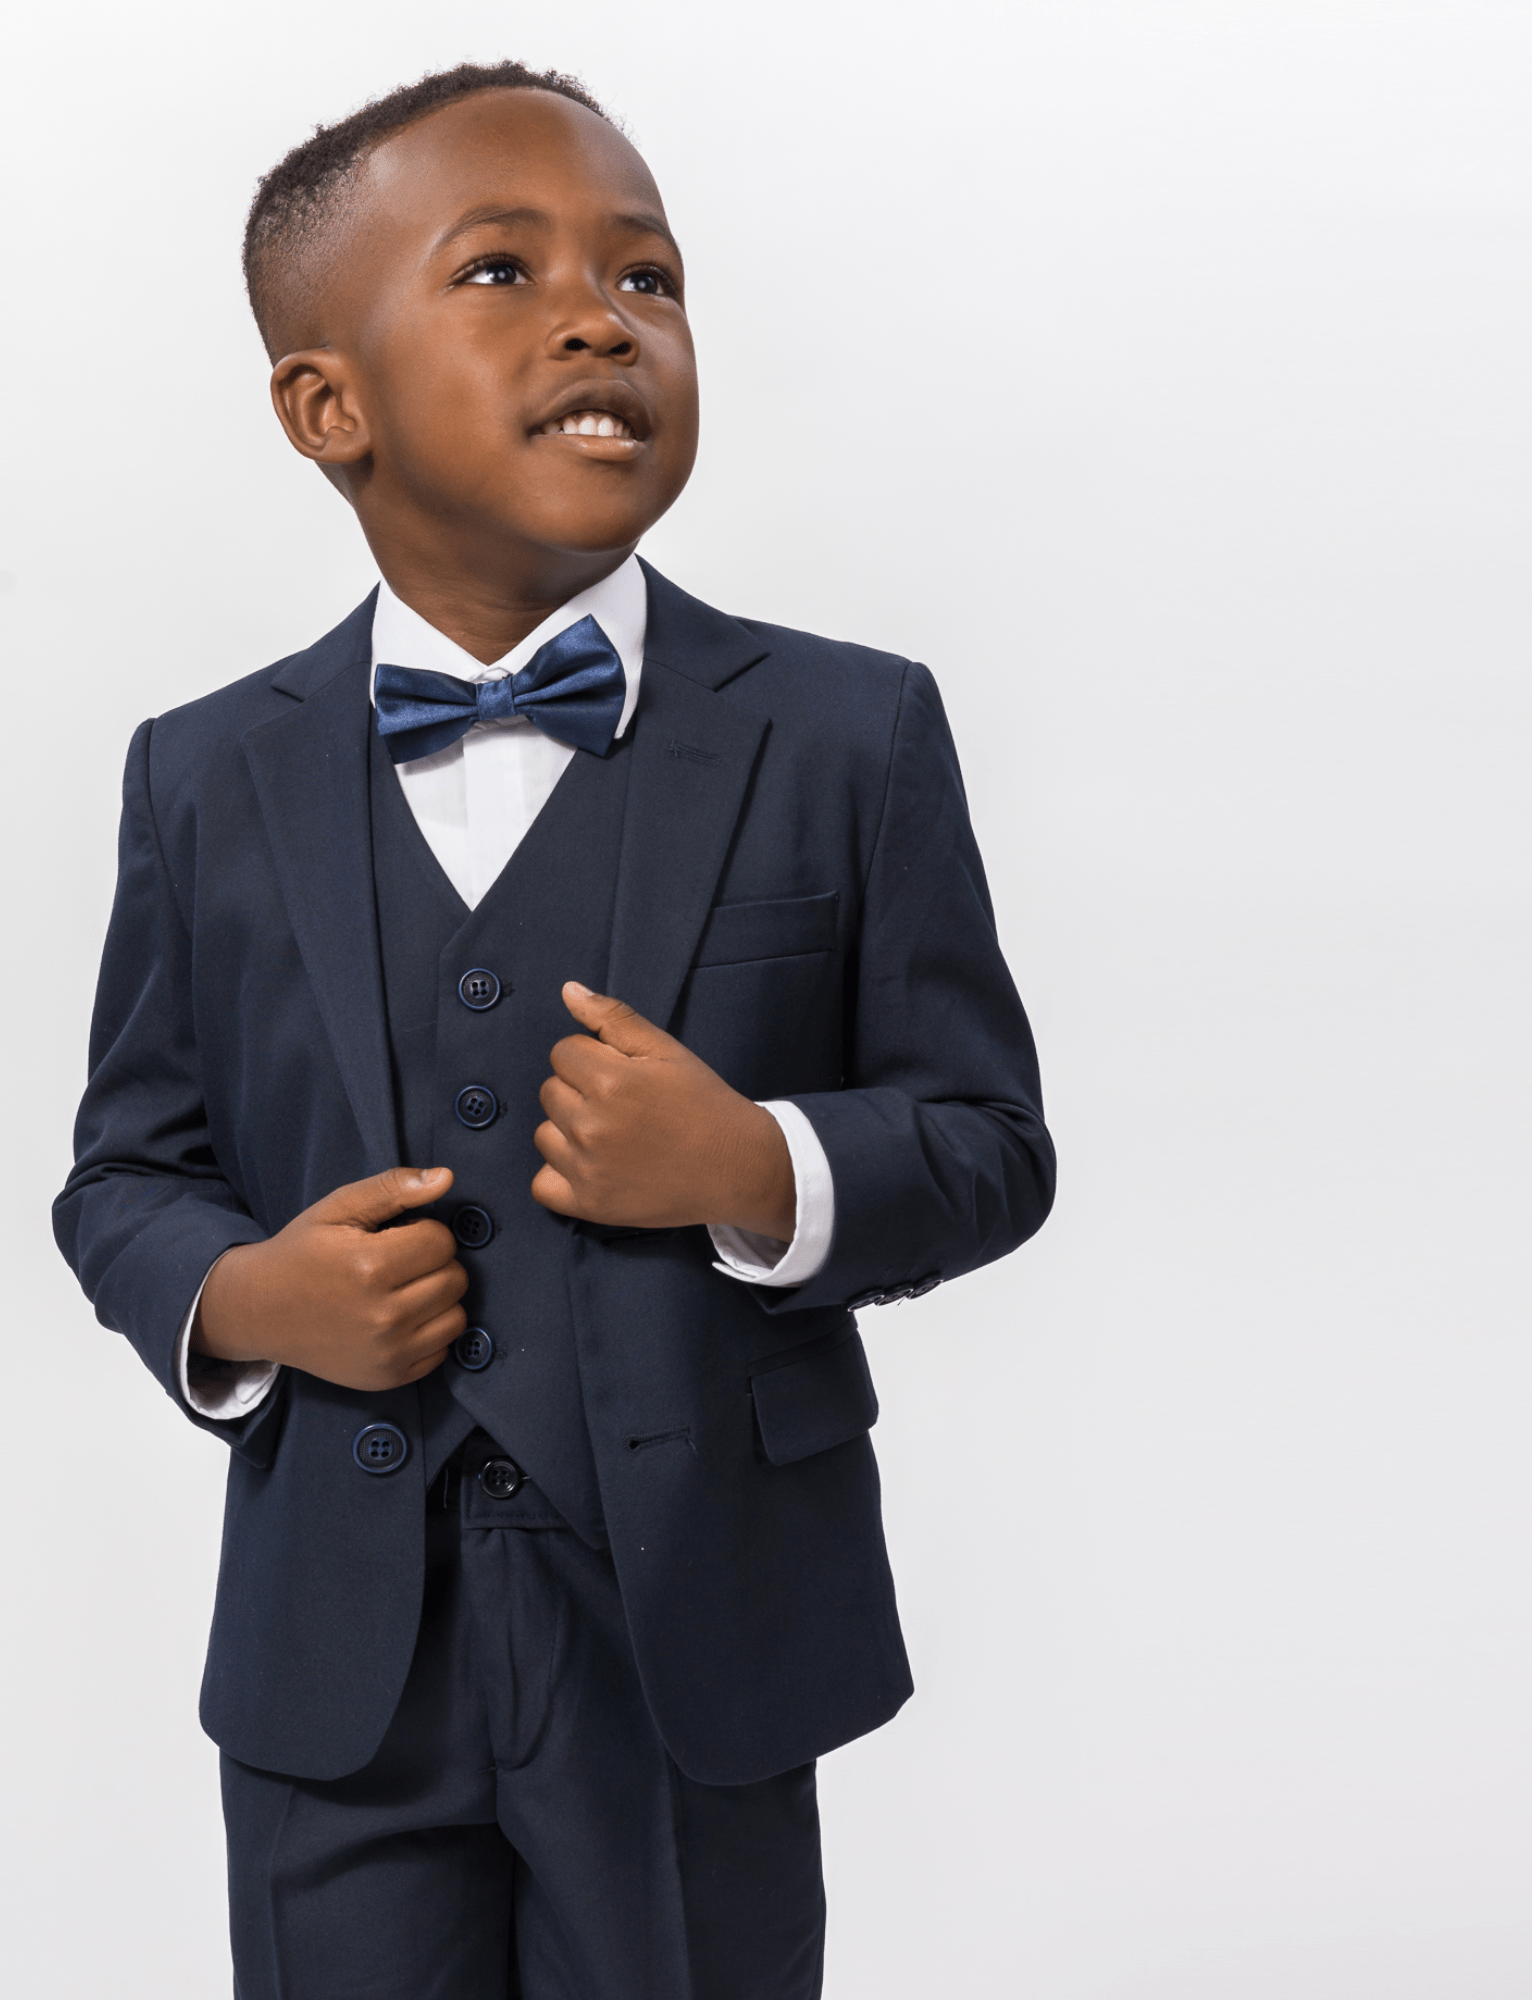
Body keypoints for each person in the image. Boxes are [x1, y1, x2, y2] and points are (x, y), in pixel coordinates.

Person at [54, 59, 1054, 1999]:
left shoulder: (847, 736)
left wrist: (762, 1166)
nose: (603, 314)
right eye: (500, 272)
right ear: (325, 406)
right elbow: (125, 1169)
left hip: (696, 1640)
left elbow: (987, 1140)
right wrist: (248, 1299)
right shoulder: (204, 773)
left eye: (649, 276)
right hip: (341, 1660)